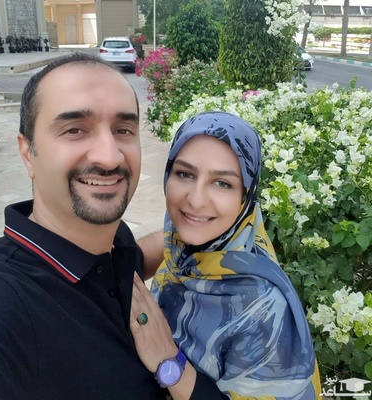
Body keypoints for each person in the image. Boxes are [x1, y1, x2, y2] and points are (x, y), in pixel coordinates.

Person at [0, 52, 170, 400]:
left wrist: (201, 231)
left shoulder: (114, 241)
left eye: (123, 130)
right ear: (27, 153)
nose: (109, 157)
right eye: (75, 130)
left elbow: (131, 261)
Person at [130, 111, 322, 399]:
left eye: (222, 183)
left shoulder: (262, 310)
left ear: (245, 196)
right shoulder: (184, 248)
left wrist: (167, 360)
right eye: (185, 174)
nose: (196, 200)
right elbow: (153, 247)